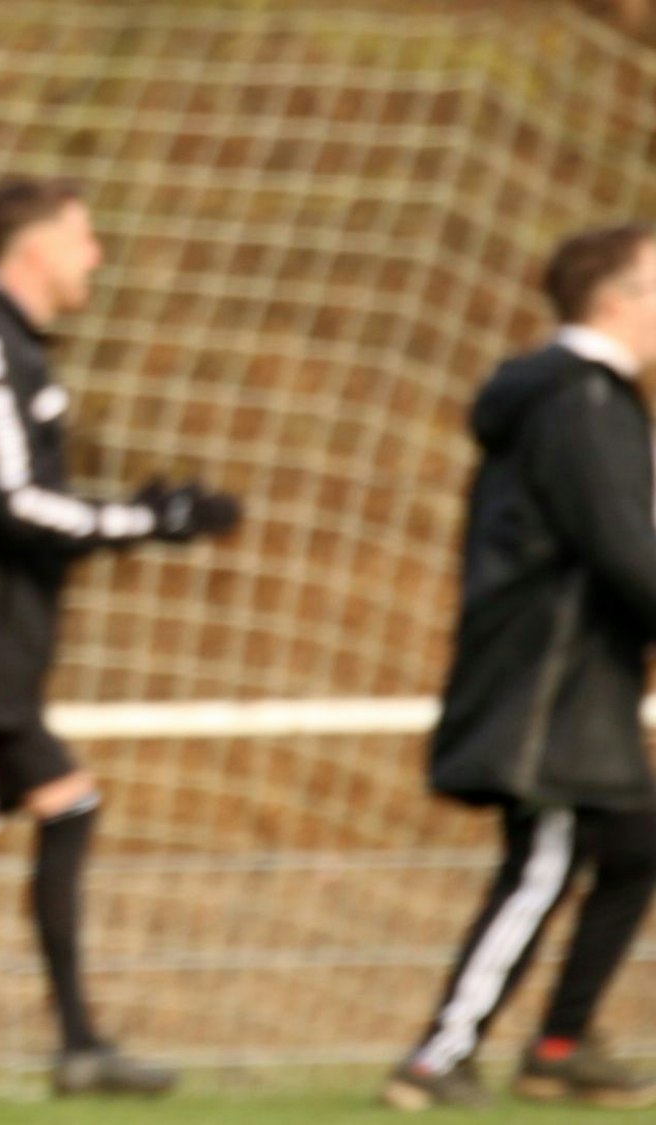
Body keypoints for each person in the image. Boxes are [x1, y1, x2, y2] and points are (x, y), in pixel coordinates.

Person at [0, 176, 241, 1099]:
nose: (96, 257)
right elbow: (16, 502)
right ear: (31, 250)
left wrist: (146, 519)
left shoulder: (1, 348)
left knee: (32, 815)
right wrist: (153, 520)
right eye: (83, 237)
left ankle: (73, 1044)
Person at [381, 223, 656, 1112]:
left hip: (576, 684)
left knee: (639, 840)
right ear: (615, 301)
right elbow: (624, 549)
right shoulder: (579, 399)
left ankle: (558, 1045)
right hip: (547, 689)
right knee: (546, 856)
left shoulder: (588, 400)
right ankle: (436, 1054)